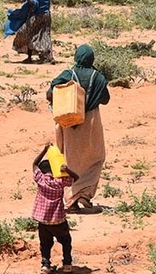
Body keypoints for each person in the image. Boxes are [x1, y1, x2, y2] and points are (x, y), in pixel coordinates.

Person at [46, 44, 110, 211]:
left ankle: (71, 198)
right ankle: (83, 194)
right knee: (96, 158)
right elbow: (105, 99)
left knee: (68, 159)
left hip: (69, 122)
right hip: (90, 123)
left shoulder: (68, 74)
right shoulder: (99, 77)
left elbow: (51, 90)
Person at [32, 143, 79, 274]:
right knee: (66, 241)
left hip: (43, 221)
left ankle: (46, 265)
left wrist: (44, 150)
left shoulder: (40, 179)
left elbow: (34, 164)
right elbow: (76, 178)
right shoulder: (60, 181)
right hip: (58, 220)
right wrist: (66, 170)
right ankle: (67, 264)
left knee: (45, 244)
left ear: (42, 171)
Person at [4, 0, 55, 64]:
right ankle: (45, 56)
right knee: (44, 36)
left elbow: (35, 3)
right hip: (46, 16)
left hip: (37, 16)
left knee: (25, 33)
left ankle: (36, 57)